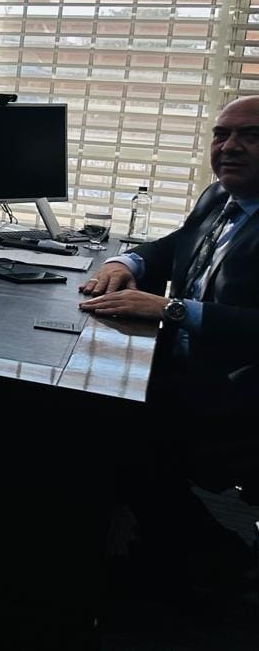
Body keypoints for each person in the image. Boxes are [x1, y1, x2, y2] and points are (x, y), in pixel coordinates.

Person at [80, 95, 259, 594]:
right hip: (184, 365)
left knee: (102, 430)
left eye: (251, 136)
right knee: (86, 400)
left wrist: (172, 309)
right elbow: (178, 245)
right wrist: (126, 263)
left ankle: (215, 555)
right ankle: (163, 543)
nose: (230, 146)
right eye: (222, 134)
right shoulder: (219, 196)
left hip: (237, 392)